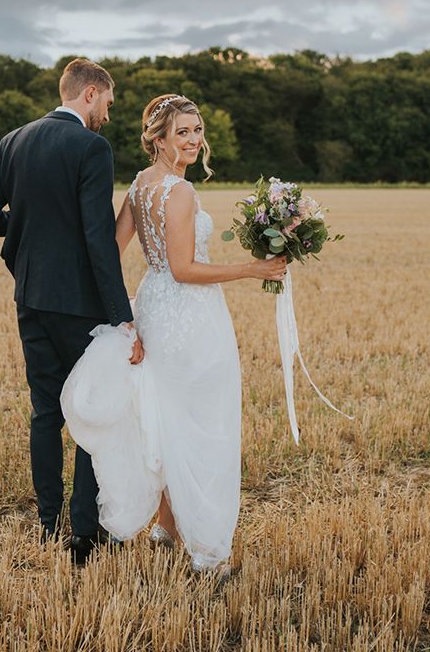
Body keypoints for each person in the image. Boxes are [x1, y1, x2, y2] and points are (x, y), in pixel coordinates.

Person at [61, 94, 286, 575]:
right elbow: (184, 269)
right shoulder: (180, 193)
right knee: (203, 427)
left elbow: (112, 248)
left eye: (197, 130)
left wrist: (124, 312)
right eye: (181, 132)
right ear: (157, 138)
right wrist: (253, 268)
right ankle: (207, 550)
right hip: (190, 316)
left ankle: (166, 525)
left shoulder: (141, 185)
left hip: (154, 308)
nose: (193, 139)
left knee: (166, 419)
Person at [0, 58, 143, 565]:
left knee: (46, 411)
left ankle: (48, 523)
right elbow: (96, 238)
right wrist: (121, 313)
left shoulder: (13, 140)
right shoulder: (91, 147)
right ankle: (83, 535)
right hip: (79, 306)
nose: (107, 115)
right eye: (107, 103)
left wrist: (25, 233)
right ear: (90, 93)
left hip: (30, 298)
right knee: (91, 407)